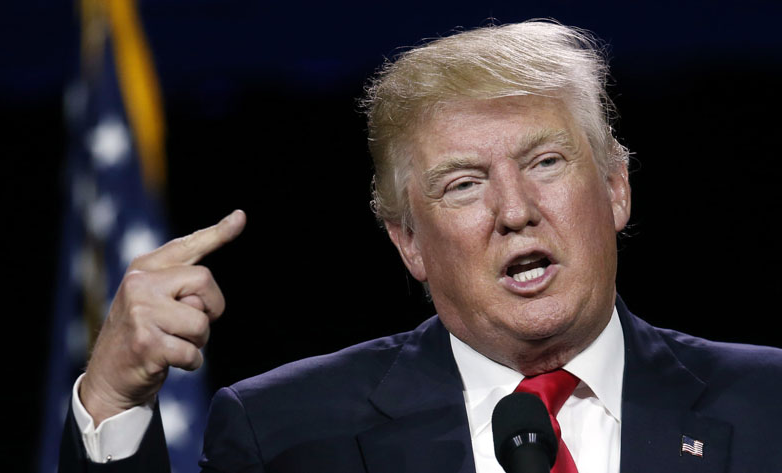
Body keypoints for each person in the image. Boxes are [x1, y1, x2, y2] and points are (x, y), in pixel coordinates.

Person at [60, 20, 782, 472]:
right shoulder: (288, 434)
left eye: (545, 162)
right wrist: (114, 400)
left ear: (617, 188)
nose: (515, 211)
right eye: (464, 184)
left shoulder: (769, 406)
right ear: (409, 241)